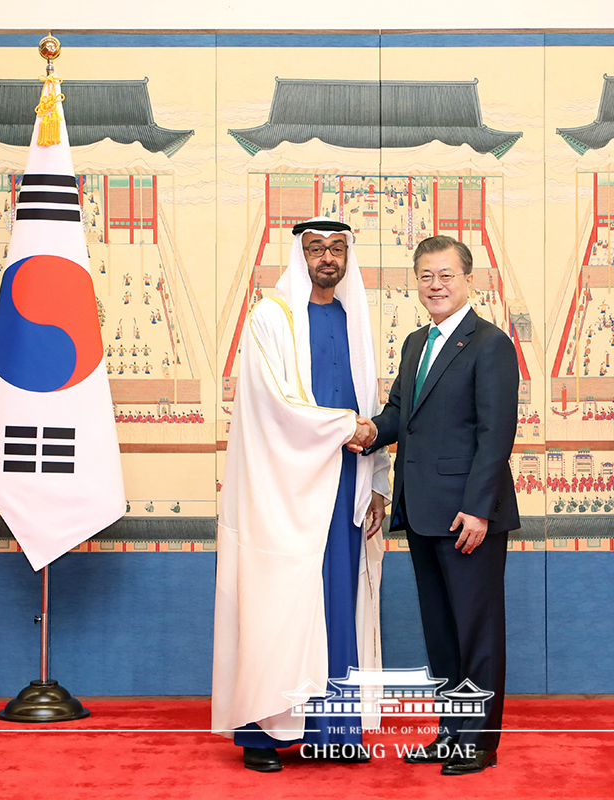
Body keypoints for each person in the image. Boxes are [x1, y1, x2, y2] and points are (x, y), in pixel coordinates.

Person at [213, 217, 389, 772]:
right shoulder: (272, 318)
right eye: (316, 249)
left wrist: (378, 483)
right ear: (300, 254)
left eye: (337, 249)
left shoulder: (353, 319)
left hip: (341, 490)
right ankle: (263, 737)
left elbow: (370, 399)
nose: (327, 258)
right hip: (282, 494)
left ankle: (333, 732)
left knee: (337, 603)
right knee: (278, 604)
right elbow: (276, 406)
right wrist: (347, 428)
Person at [360, 235, 519, 775]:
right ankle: (451, 732)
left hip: (468, 517)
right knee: (443, 632)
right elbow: (398, 415)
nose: (436, 285)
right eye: (426, 276)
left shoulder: (490, 343)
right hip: (424, 512)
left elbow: (497, 434)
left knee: (476, 630)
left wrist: (478, 509)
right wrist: (356, 431)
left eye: (446, 275)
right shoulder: (415, 343)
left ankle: (479, 741)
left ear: (469, 280)